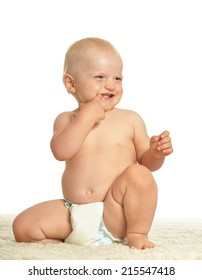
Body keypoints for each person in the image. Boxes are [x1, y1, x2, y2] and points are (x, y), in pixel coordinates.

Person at [12, 37, 173, 249]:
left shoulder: (130, 119)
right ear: (71, 83)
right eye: (100, 77)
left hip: (114, 212)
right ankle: (65, 239)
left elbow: (147, 165)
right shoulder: (66, 119)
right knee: (22, 226)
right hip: (73, 212)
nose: (110, 85)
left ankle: (137, 234)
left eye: (117, 78)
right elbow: (61, 151)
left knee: (139, 174)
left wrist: (156, 153)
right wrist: (86, 117)